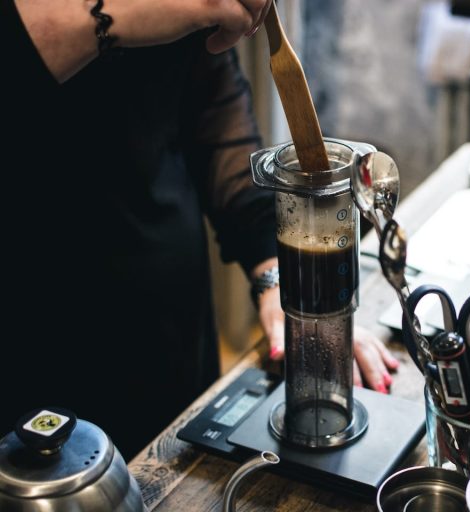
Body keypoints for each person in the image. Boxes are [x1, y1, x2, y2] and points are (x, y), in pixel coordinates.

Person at [2, 0, 398, 458]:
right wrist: (112, 15)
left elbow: (217, 133)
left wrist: (279, 281)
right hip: (36, 335)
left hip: (171, 333)